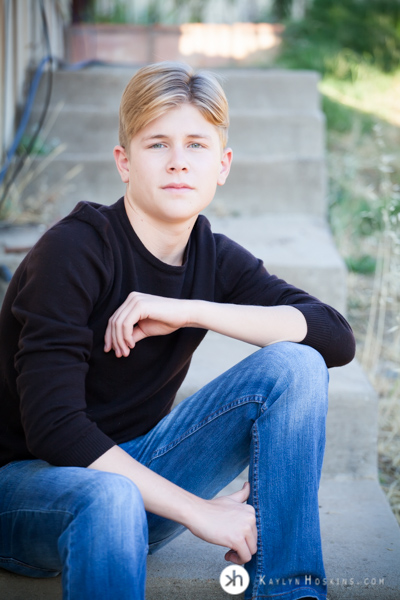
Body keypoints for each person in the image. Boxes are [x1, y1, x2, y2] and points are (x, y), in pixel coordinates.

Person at [0, 61, 355, 600]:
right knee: (111, 495)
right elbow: (54, 428)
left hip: (137, 477)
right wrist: (199, 512)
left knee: (297, 363)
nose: (178, 163)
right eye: (157, 144)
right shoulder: (72, 251)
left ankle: (289, 591)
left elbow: (334, 336)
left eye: (196, 145)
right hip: (29, 490)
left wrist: (192, 310)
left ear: (222, 165)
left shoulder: (212, 258)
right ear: (123, 161)